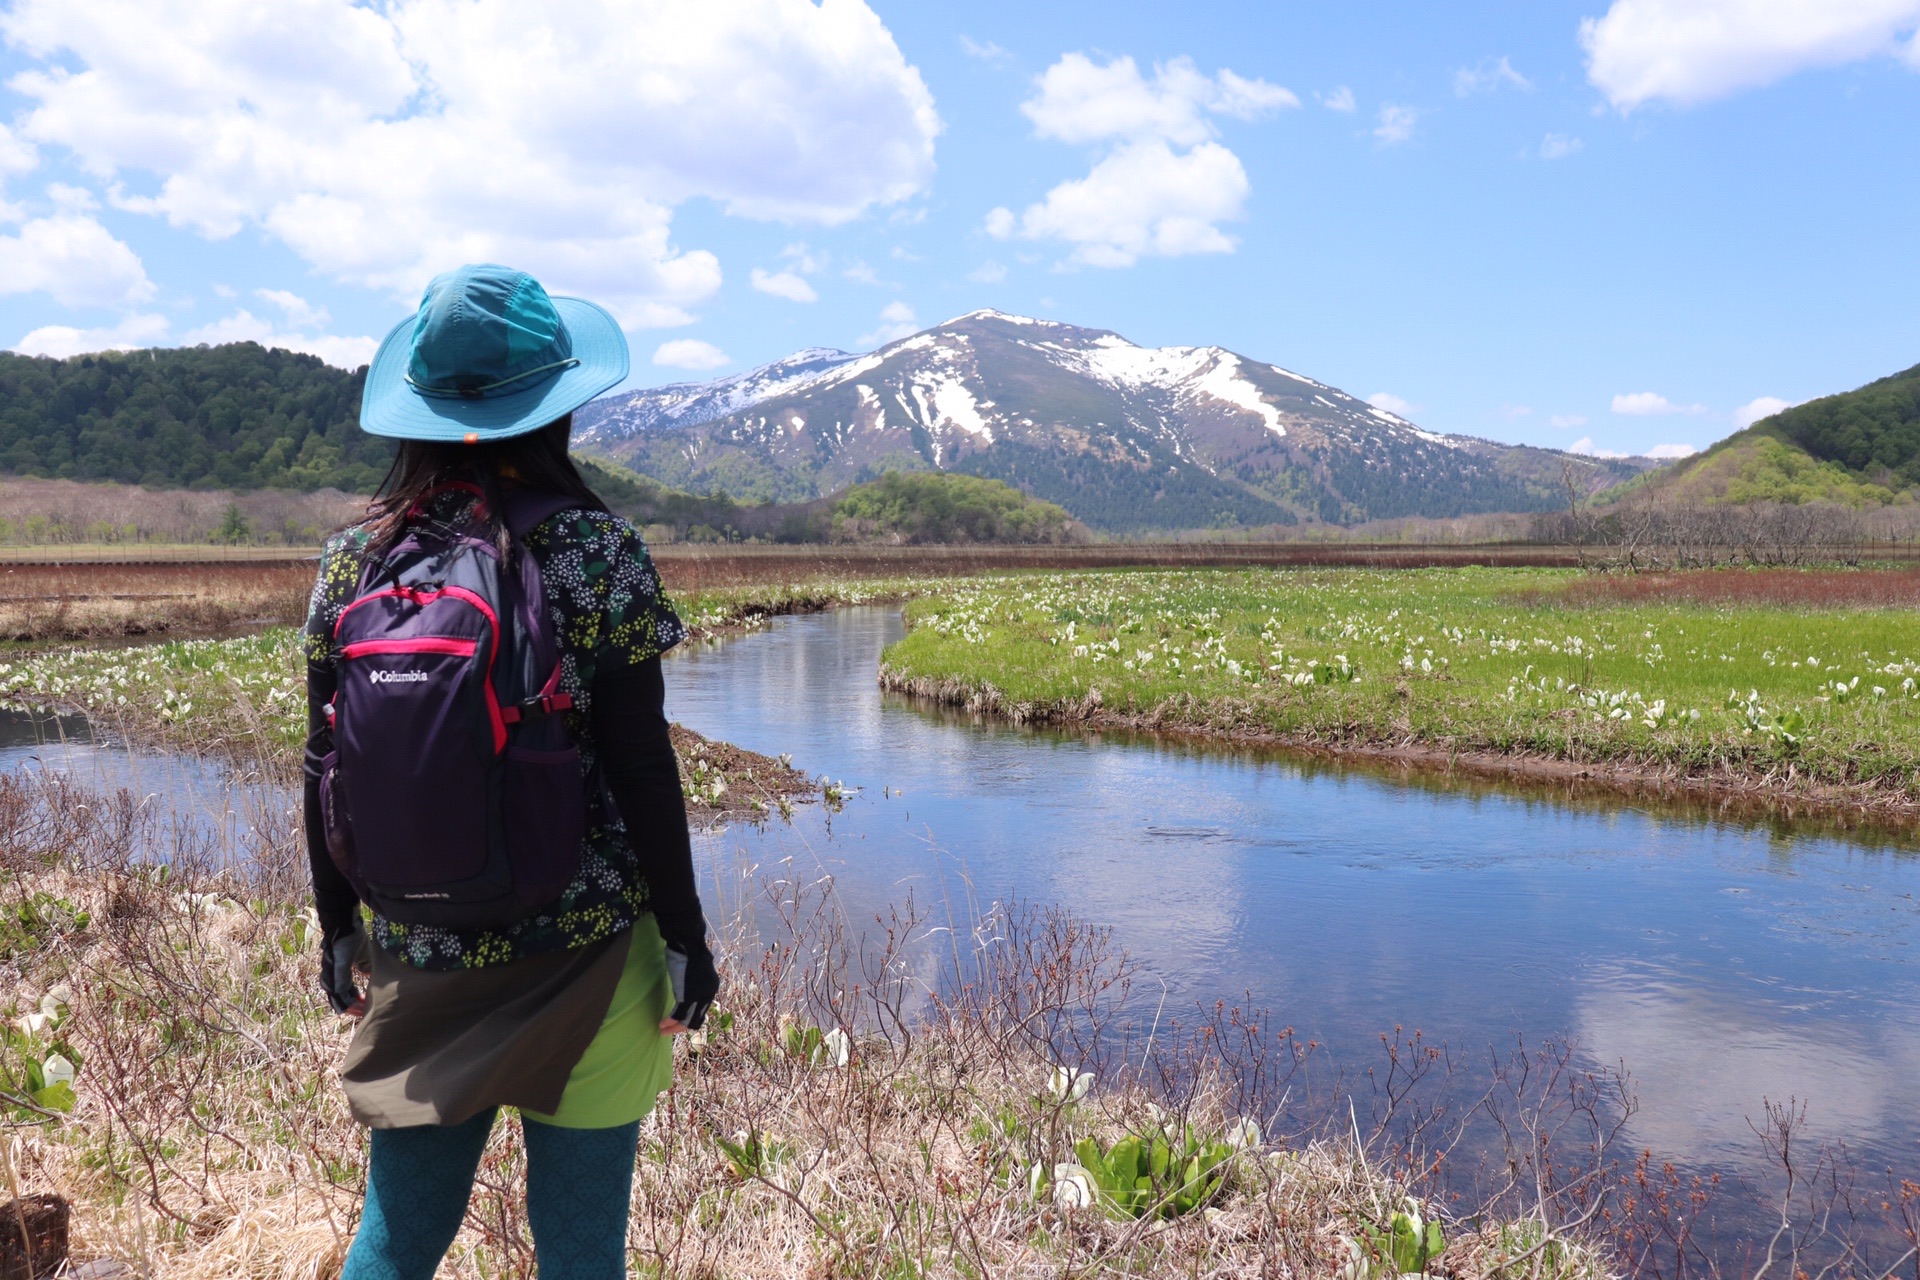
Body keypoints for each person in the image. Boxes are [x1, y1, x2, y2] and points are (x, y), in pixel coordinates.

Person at [302, 263, 718, 1280]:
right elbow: (639, 765)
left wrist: (338, 925)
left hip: (419, 941)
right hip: (584, 947)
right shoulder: (594, 548)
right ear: (556, 409)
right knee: (579, 1250)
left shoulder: (355, 556)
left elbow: (323, 756)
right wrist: (688, 935)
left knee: (396, 1240)